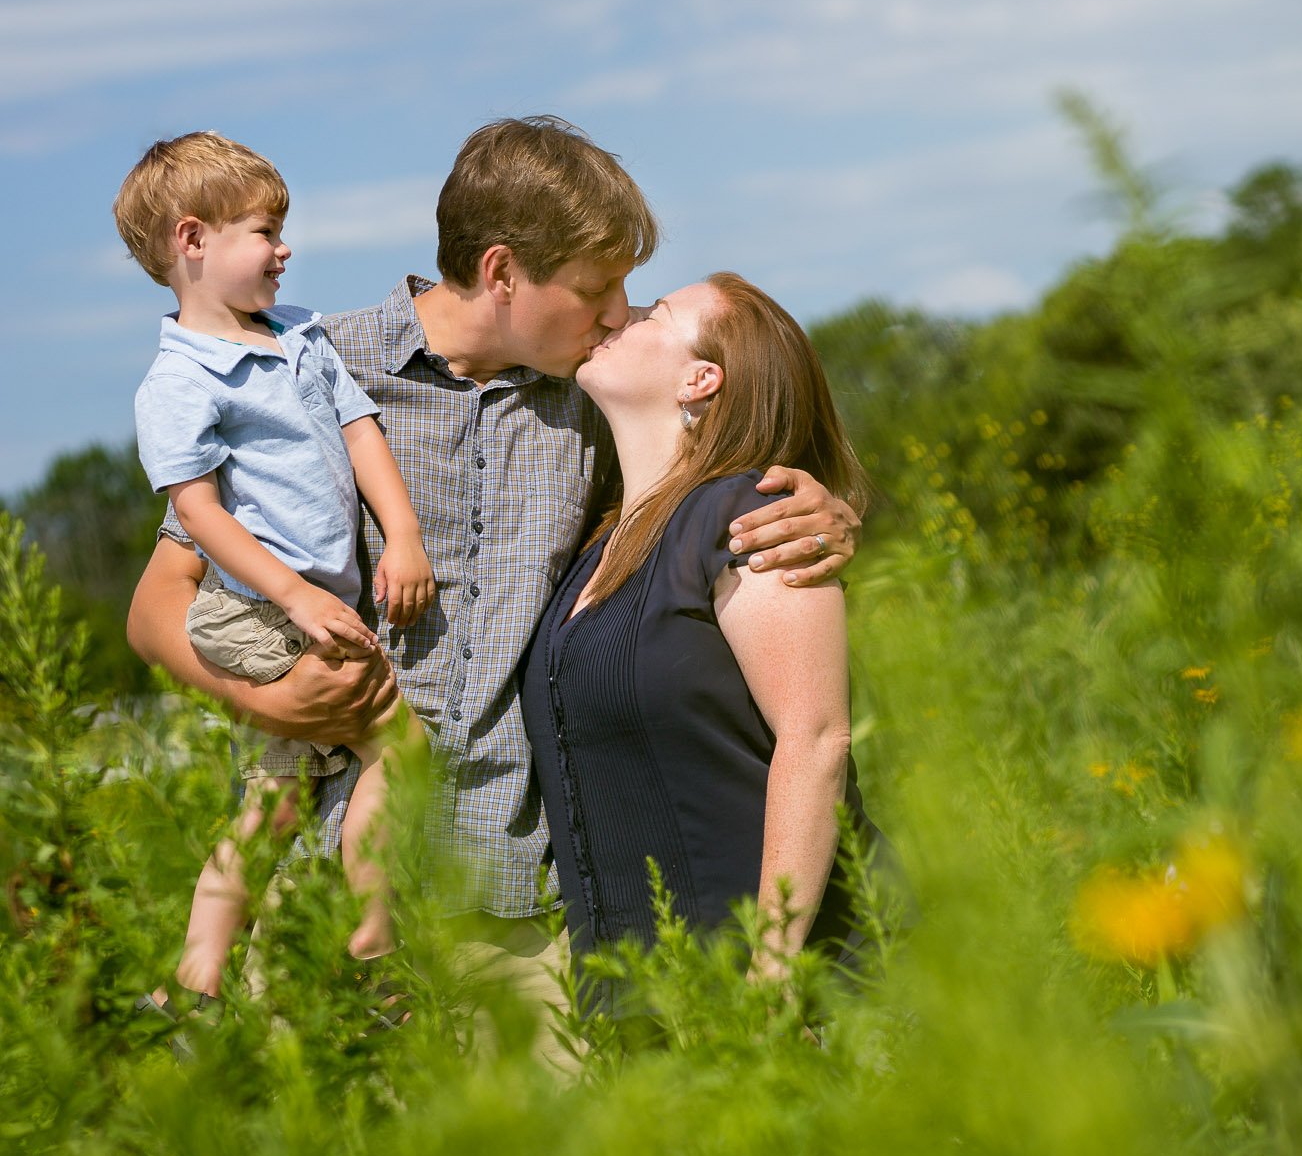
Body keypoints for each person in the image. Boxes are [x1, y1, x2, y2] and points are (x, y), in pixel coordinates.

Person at [126, 119, 861, 1057]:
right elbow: (156, 609)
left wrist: (820, 507)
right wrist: (264, 693)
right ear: (504, 272)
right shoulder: (308, 367)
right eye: (596, 291)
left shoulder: (590, 405)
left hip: (523, 912)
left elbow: (702, 477)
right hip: (325, 899)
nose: (615, 317)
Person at [113, 132, 434, 1031]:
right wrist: (295, 595)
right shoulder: (177, 380)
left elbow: (361, 427)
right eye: (265, 229)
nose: (284, 247)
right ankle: (376, 945)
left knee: (278, 790)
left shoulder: (298, 335)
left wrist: (401, 534)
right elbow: (201, 514)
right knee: (398, 745)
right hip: (254, 608)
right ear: (193, 240)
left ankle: (195, 983)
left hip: (301, 601)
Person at [520, 272, 885, 979]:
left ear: (701, 378)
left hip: (778, 988)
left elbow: (815, 740)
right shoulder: (597, 539)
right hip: (644, 992)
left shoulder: (755, 517)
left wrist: (769, 974)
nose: (618, 314)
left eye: (652, 312)